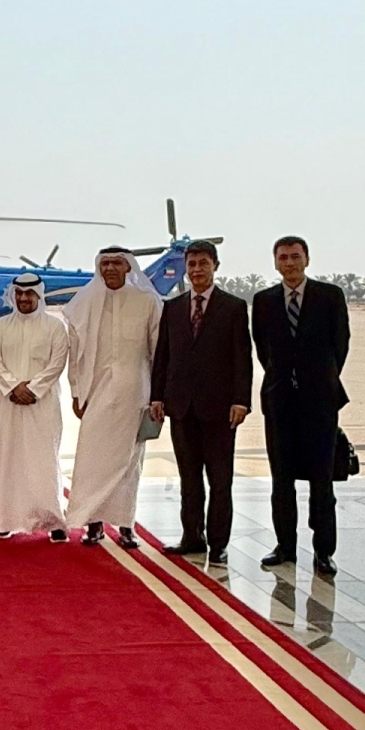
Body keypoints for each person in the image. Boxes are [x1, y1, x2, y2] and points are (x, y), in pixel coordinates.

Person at [150, 240, 253, 565]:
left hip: (220, 410)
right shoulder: (172, 308)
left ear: (215, 266)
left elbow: (242, 358)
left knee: (220, 480)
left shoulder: (233, 307)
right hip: (181, 407)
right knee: (189, 479)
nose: (196, 270)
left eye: (203, 264)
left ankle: (219, 542)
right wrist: (157, 396)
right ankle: (192, 537)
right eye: (191, 264)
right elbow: (163, 356)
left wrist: (241, 400)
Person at [253, 237, 350, 577]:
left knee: (321, 480)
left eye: (296, 256)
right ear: (275, 263)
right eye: (283, 258)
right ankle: (285, 546)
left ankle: (324, 550)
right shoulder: (264, 301)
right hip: (279, 403)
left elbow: (340, 344)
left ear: (307, 259)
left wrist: (318, 380)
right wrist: (286, 380)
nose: (290, 263)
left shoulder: (329, 296)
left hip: (320, 404)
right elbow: (263, 349)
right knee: (281, 479)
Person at [65, 249, 162, 548]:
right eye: (104, 263)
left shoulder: (147, 302)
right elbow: (76, 356)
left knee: (129, 462)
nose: (109, 268)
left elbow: (159, 352)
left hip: (136, 393)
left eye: (116, 263)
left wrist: (158, 396)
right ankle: (93, 523)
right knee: (92, 459)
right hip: (95, 393)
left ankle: (126, 524)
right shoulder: (85, 303)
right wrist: (77, 393)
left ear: (128, 266)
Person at [0, 273, 70, 541]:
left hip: (42, 404)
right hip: (8, 402)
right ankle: (6, 520)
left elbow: (57, 363)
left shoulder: (55, 327)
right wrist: (13, 387)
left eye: (29, 293)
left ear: (39, 295)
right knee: (7, 459)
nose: (23, 298)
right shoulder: (1, 325)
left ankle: (53, 521)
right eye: (19, 293)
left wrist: (33, 389)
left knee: (44, 459)